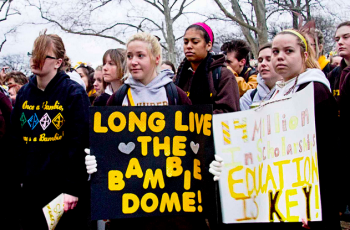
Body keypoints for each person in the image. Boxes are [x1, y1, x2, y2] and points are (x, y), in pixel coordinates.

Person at [85, 32, 215, 230]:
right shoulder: (118, 99)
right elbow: (108, 147)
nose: (133, 62)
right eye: (129, 56)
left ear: (156, 58)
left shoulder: (175, 95)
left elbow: (195, 143)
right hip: (130, 207)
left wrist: (208, 161)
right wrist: (96, 161)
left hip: (173, 207)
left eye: (140, 55)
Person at [10, 30, 90, 230]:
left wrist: (72, 188)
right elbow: (15, 139)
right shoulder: (24, 94)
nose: (36, 59)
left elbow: (78, 142)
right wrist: (18, 179)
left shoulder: (73, 92)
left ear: (58, 62)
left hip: (62, 191)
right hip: (30, 188)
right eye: (33, 53)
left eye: (43, 55)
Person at [175, 22, 240, 114]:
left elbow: (228, 113)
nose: (188, 46)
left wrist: (192, 120)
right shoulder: (178, 77)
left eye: (195, 42)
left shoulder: (224, 76)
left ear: (208, 45)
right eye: (186, 42)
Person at [328, 21, 350, 219]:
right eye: (337, 39)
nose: (340, 42)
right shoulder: (335, 74)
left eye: (346, 37)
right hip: (341, 146)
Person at [240, 42, 282, 110]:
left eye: (269, 59)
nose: (263, 64)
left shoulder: (294, 91)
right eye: (260, 60)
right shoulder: (249, 97)